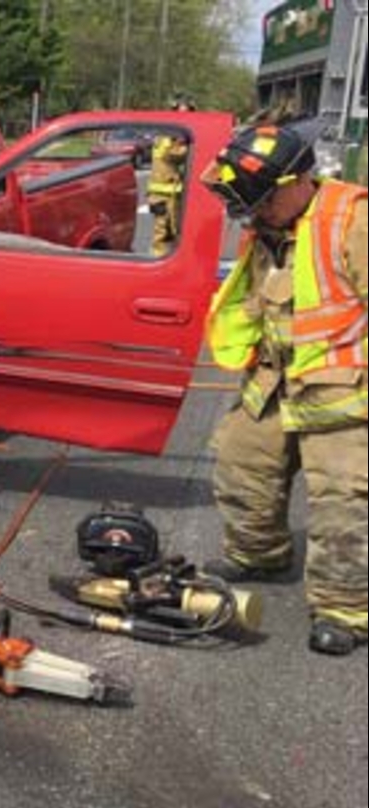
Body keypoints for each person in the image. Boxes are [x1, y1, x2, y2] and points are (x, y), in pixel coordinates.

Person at [198, 122, 367, 656]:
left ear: (298, 182)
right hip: (274, 376)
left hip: (341, 389)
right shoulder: (273, 223)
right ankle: (258, 554)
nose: (255, 213)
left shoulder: (352, 220)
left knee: (344, 499)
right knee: (240, 462)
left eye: (264, 200)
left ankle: (343, 608)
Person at [147, 98, 194, 257]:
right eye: (182, 114)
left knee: (172, 233)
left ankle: (167, 261)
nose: (185, 119)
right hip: (163, 196)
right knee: (163, 234)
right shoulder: (167, 137)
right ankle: (158, 266)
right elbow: (174, 155)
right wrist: (190, 144)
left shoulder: (170, 135)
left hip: (168, 195)